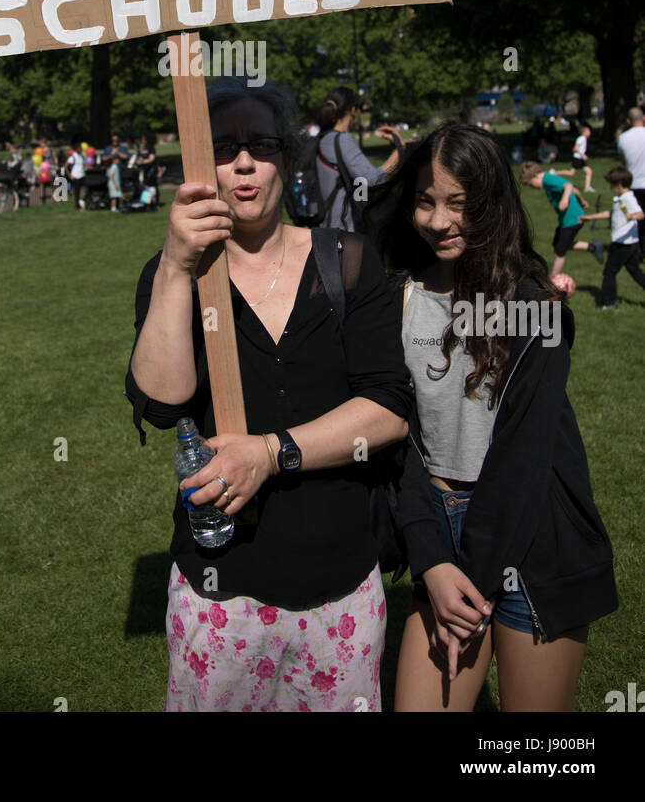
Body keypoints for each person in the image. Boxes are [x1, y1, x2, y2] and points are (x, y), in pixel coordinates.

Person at [125, 78, 411, 712]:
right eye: (224, 149)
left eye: (261, 144)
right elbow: (162, 403)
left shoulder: (350, 261)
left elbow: (389, 406)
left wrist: (271, 452)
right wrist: (176, 267)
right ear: (201, 168)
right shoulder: (174, 272)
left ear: (289, 158)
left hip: (340, 585)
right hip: (221, 587)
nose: (245, 162)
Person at [366, 122, 617, 712]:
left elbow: (524, 462)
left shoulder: (534, 308)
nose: (439, 220)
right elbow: (398, 441)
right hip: (437, 528)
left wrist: (473, 582)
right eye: (426, 201)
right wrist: (431, 560)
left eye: (460, 203)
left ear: (493, 203)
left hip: (531, 535)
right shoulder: (396, 297)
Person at [314, 88, 403, 231]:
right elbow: (371, 180)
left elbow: (358, 186)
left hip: (325, 225)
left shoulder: (323, 138)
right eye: (360, 108)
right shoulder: (341, 140)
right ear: (353, 109)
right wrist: (399, 150)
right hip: (343, 231)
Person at [518, 160, 604, 277]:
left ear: (535, 176)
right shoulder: (548, 180)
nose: (533, 187)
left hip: (572, 219)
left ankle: (552, 282)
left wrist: (564, 199)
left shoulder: (548, 179)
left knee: (559, 252)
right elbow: (575, 190)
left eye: (531, 184)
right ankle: (593, 247)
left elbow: (568, 186)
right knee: (558, 244)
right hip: (566, 219)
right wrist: (582, 201)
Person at [581, 167, 645, 310]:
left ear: (620, 184)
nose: (611, 188)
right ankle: (609, 302)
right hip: (631, 243)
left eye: (612, 185)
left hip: (623, 244)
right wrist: (590, 217)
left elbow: (640, 214)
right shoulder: (621, 198)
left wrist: (632, 217)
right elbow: (611, 213)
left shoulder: (628, 198)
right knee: (635, 271)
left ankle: (609, 303)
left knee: (609, 272)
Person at [617, 106, 645, 256]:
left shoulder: (623, 138)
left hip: (633, 183)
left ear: (629, 121)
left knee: (636, 219)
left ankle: (638, 250)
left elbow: (622, 159)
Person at [571, 124, 594, 192]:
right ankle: (555, 172)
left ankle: (587, 187)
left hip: (579, 158)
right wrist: (582, 155)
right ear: (584, 132)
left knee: (589, 171)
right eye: (588, 131)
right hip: (577, 158)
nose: (589, 132)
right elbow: (575, 148)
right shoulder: (582, 138)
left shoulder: (583, 138)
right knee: (571, 173)